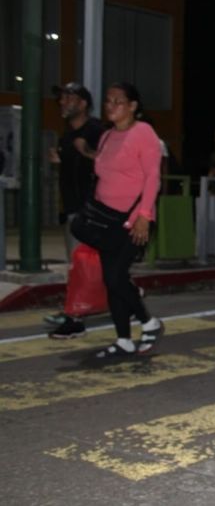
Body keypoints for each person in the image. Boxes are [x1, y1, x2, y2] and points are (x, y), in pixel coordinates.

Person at [89, 82, 164, 359]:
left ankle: (149, 323)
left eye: (118, 101)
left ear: (133, 106)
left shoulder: (143, 133)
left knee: (115, 276)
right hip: (106, 219)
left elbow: (152, 177)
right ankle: (123, 340)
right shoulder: (107, 136)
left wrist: (144, 216)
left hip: (133, 219)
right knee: (112, 281)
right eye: (108, 101)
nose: (111, 105)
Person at [45, 82, 104, 337]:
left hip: (90, 208)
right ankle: (125, 296)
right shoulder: (67, 134)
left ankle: (75, 317)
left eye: (69, 98)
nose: (63, 102)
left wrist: (88, 152)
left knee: (81, 263)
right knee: (83, 262)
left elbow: (110, 164)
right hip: (73, 206)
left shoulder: (96, 129)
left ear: (82, 103)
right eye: (62, 98)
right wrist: (61, 160)